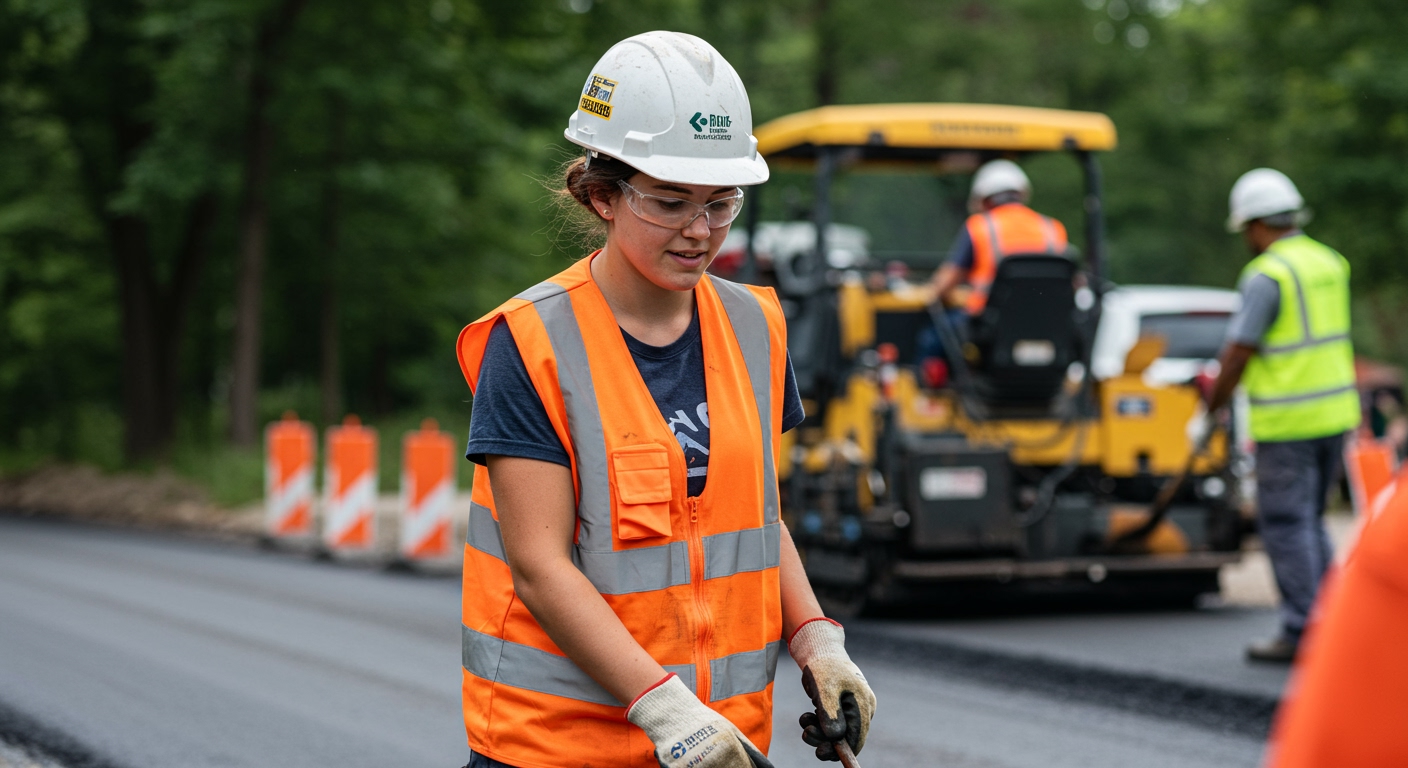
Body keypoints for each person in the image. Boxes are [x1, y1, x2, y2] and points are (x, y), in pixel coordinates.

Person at [455, 31, 876, 768]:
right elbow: (539, 566)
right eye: (671, 202)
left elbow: (755, 520)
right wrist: (664, 705)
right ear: (603, 196)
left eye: (722, 204)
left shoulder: (756, 326)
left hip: (722, 743)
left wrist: (815, 639)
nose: (700, 231)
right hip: (560, 748)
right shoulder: (530, 342)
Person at [1194, 168, 1360, 663]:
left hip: (1288, 423)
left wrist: (1210, 410)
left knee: (1287, 525)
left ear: (1256, 224)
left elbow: (1239, 351)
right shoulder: (1329, 262)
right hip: (1336, 414)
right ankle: (1337, 622)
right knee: (1309, 522)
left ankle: (1304, 631)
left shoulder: (1268, 275)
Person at [929, 159, 1069, 319]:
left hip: (988, 326)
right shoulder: (1053, 227)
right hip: (1046, 320)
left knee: (930, 338)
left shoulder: (979, 226)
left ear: (984, 200)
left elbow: (944, 285)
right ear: (1022, 194)